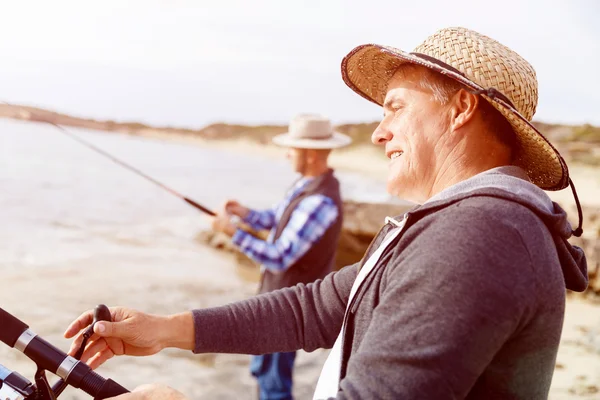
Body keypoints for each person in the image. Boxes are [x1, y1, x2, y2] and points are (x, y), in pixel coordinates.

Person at [65, 27, 588, 399]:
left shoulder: (480, 234)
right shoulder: (466, 224)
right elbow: (314, 308)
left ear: (461, 109)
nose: (380, 132)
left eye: (395, 107)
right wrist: (166, 329)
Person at [210, 113, 351, 399]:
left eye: (292, 148)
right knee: (264, 372)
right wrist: (243, 213)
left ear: (310, 153)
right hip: (275, 302)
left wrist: (232, 233)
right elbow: (274, 217)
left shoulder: (319, 201)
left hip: (288, 310)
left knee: (274, 384)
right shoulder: (304, 185)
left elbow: (279, 257)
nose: (287, 154)